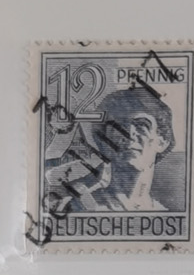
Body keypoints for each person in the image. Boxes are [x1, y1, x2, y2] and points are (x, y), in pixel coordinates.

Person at [69, 83, 176, 216]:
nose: (129, 134)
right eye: (118, 125)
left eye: (142, 125)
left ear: (162, 142)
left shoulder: (163, 214)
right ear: (104, 139)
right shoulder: (79, 206)